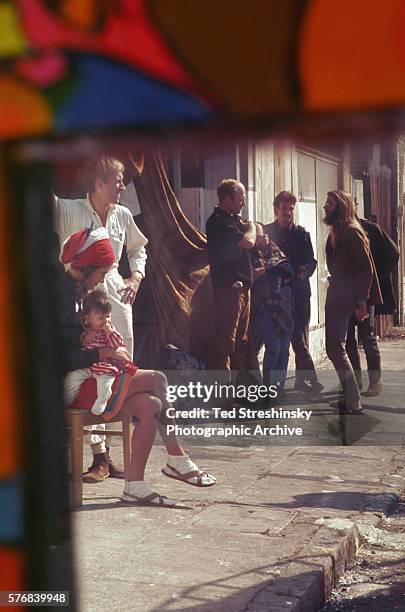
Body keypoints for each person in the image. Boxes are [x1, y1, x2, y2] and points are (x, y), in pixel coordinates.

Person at [58, 227, 216, 506]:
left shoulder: (79, 292)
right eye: (102, 272)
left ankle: (135, 485)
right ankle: (177, 457)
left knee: (150, 405)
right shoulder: (59, 297)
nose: (102, 280)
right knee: (157, 379)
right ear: (88, 266)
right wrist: (105, 352)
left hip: (93, 379)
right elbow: (57, 357)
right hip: (71, 385)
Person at [54, 156, 148, 481]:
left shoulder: (122, 215)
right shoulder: (70, 210)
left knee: (121, 374)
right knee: (94, 376)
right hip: (85, 305)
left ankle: (116, 456)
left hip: (118, 305)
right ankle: (99, 458)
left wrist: (135, 278)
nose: (123, 186)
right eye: (118, 180)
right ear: (99, 182)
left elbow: (139, 248)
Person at [324, 190, 382, 414]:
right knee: (336, 347)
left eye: (329, 204)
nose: (325, 207)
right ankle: (349, 397)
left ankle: (353, 400)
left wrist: (361, 301)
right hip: (339, 294)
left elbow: (365, 269)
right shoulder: (338, 231)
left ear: (340, 206)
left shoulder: (351, 232)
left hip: (345, 297)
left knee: (335, 347)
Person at [206, 179, 267, 376]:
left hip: (243, 290)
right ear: (227, 199)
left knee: (242, 342)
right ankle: (222, 394)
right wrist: (251, 226)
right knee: (226, 342)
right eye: (240, 199)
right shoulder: (218, 222)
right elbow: (248, 241)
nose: (244, 203)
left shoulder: (233, 220)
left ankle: (239, 391)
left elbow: (252, 242)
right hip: (229, 291)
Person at [264, 191, 323, 393]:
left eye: (291, 209)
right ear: (276, 210)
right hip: (277, 295)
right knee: (285, 339)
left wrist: (305, 270)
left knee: (301, 336)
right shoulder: (266, 232)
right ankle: (304, 380)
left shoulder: (301, 233)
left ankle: (301, 380)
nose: (287, 213)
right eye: (284, 208)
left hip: (299, 291)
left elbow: (312, 260)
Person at [345, 212, 399, 396]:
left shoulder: (370, 229)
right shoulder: (338, 229)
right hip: (345, 292)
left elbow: (394, 253)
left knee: (367, 336)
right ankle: (355, 381)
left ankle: (375, 383)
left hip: (366, 292)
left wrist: (377, 275)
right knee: (348, 338)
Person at [66, 288, 137, 416]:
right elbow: (79, 347)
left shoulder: (109, 331)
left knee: (105, 383)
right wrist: (85, 338)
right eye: (100, 317)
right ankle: (67, 400)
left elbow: (118, 346)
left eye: (108, 316)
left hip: (104, 365)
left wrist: (110, 333)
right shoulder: (84, 330)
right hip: (88, 366)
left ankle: (102, 400)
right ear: (87, 317)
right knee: (72, 378)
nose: (105, 321)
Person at [250, 227, 294, 396]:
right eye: (261, 235)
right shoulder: (251, 255)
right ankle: (269, 388)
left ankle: (278, 387)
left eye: (266, 234)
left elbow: (287, 269)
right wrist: (271, 271)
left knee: (284, 348)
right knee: (274, 347)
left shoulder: (274, 250)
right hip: (265, 306)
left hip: (284, 305)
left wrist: (265, 270)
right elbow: (252, 276)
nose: (266, 237)